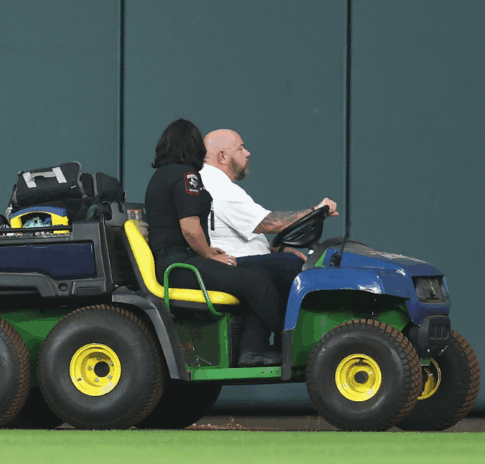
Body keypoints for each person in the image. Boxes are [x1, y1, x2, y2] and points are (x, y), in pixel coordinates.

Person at [143, 119, 282, 367]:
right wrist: (208, 255)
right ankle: (289, 340)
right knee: (256, 282)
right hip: (181, 266)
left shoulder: (159, 177)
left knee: (258, 271)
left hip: (173, 263)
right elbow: (189, 227)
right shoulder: (186, 175)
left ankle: (254, 349)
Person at [201, 129, 339, 316]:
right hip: (229, 264)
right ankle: (296, 334)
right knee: (289, 265)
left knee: (286, 258)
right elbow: (270, 224)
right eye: (241, 148)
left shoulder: (215, 183)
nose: (248, 153)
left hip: (236, 260)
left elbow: (242, 232)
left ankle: (261, 342)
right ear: (223, 156)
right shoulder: (219, 187)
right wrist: (315, 211)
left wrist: (276, 249)